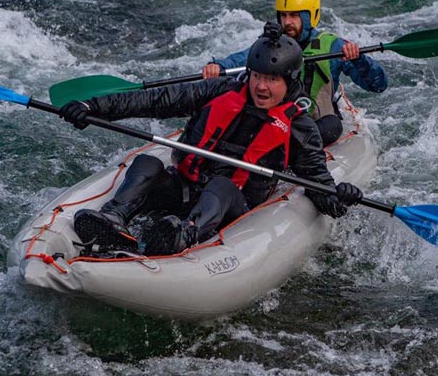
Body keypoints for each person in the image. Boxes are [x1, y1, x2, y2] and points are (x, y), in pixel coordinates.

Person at [58, 23, 364, 257]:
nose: (261, 86)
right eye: (257, 76)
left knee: (221, 186)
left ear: (290, 80)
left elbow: (319, 187)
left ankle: (182, 236)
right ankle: (113, 218)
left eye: (272, 79)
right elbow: (154, 100)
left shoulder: (300, 126)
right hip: (185, 188)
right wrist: (94, 108)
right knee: (148, 163)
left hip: (233, 206)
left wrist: (340, 198)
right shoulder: (219, 91)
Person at [202, 0, 388, 146]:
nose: (287, 22)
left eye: (294, 15)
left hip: (315, 122)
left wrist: (359, 60)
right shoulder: (272, 42)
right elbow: (243, 58)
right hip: (276, 122)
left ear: (310, 16)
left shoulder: (333, 46)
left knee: (332, 126)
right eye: (283, 16)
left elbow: (378, 85)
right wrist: (219, 67)